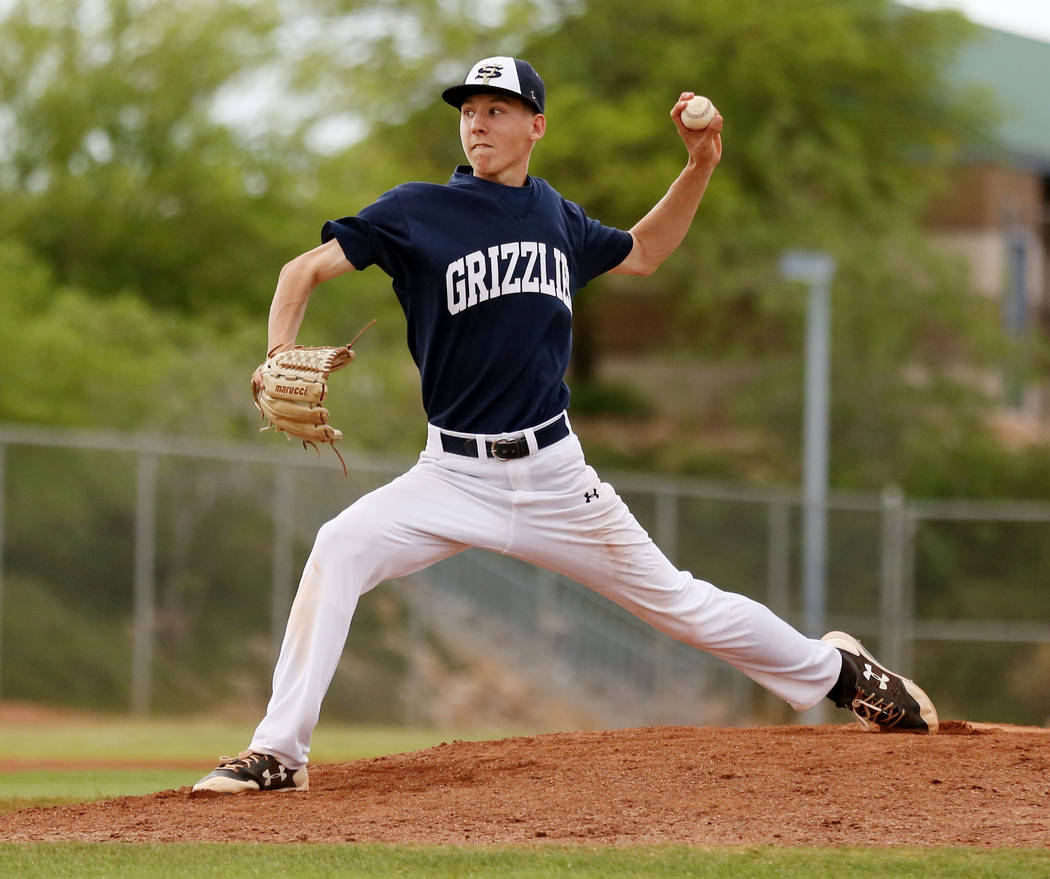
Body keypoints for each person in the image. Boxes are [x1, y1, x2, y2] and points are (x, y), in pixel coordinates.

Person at [193, 57, 938, 794]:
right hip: (450, 473)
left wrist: (700, 163)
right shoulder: (417, 211)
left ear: (535, 125)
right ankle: (279, 753)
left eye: (496, 108)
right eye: (468, 109)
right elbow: (302, 272)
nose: (477, 121)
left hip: (553, 474)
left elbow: (643, 252)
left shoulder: (557, 215)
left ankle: (841, 672)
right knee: (339, 546)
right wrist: (275, 355)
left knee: (679, 604)